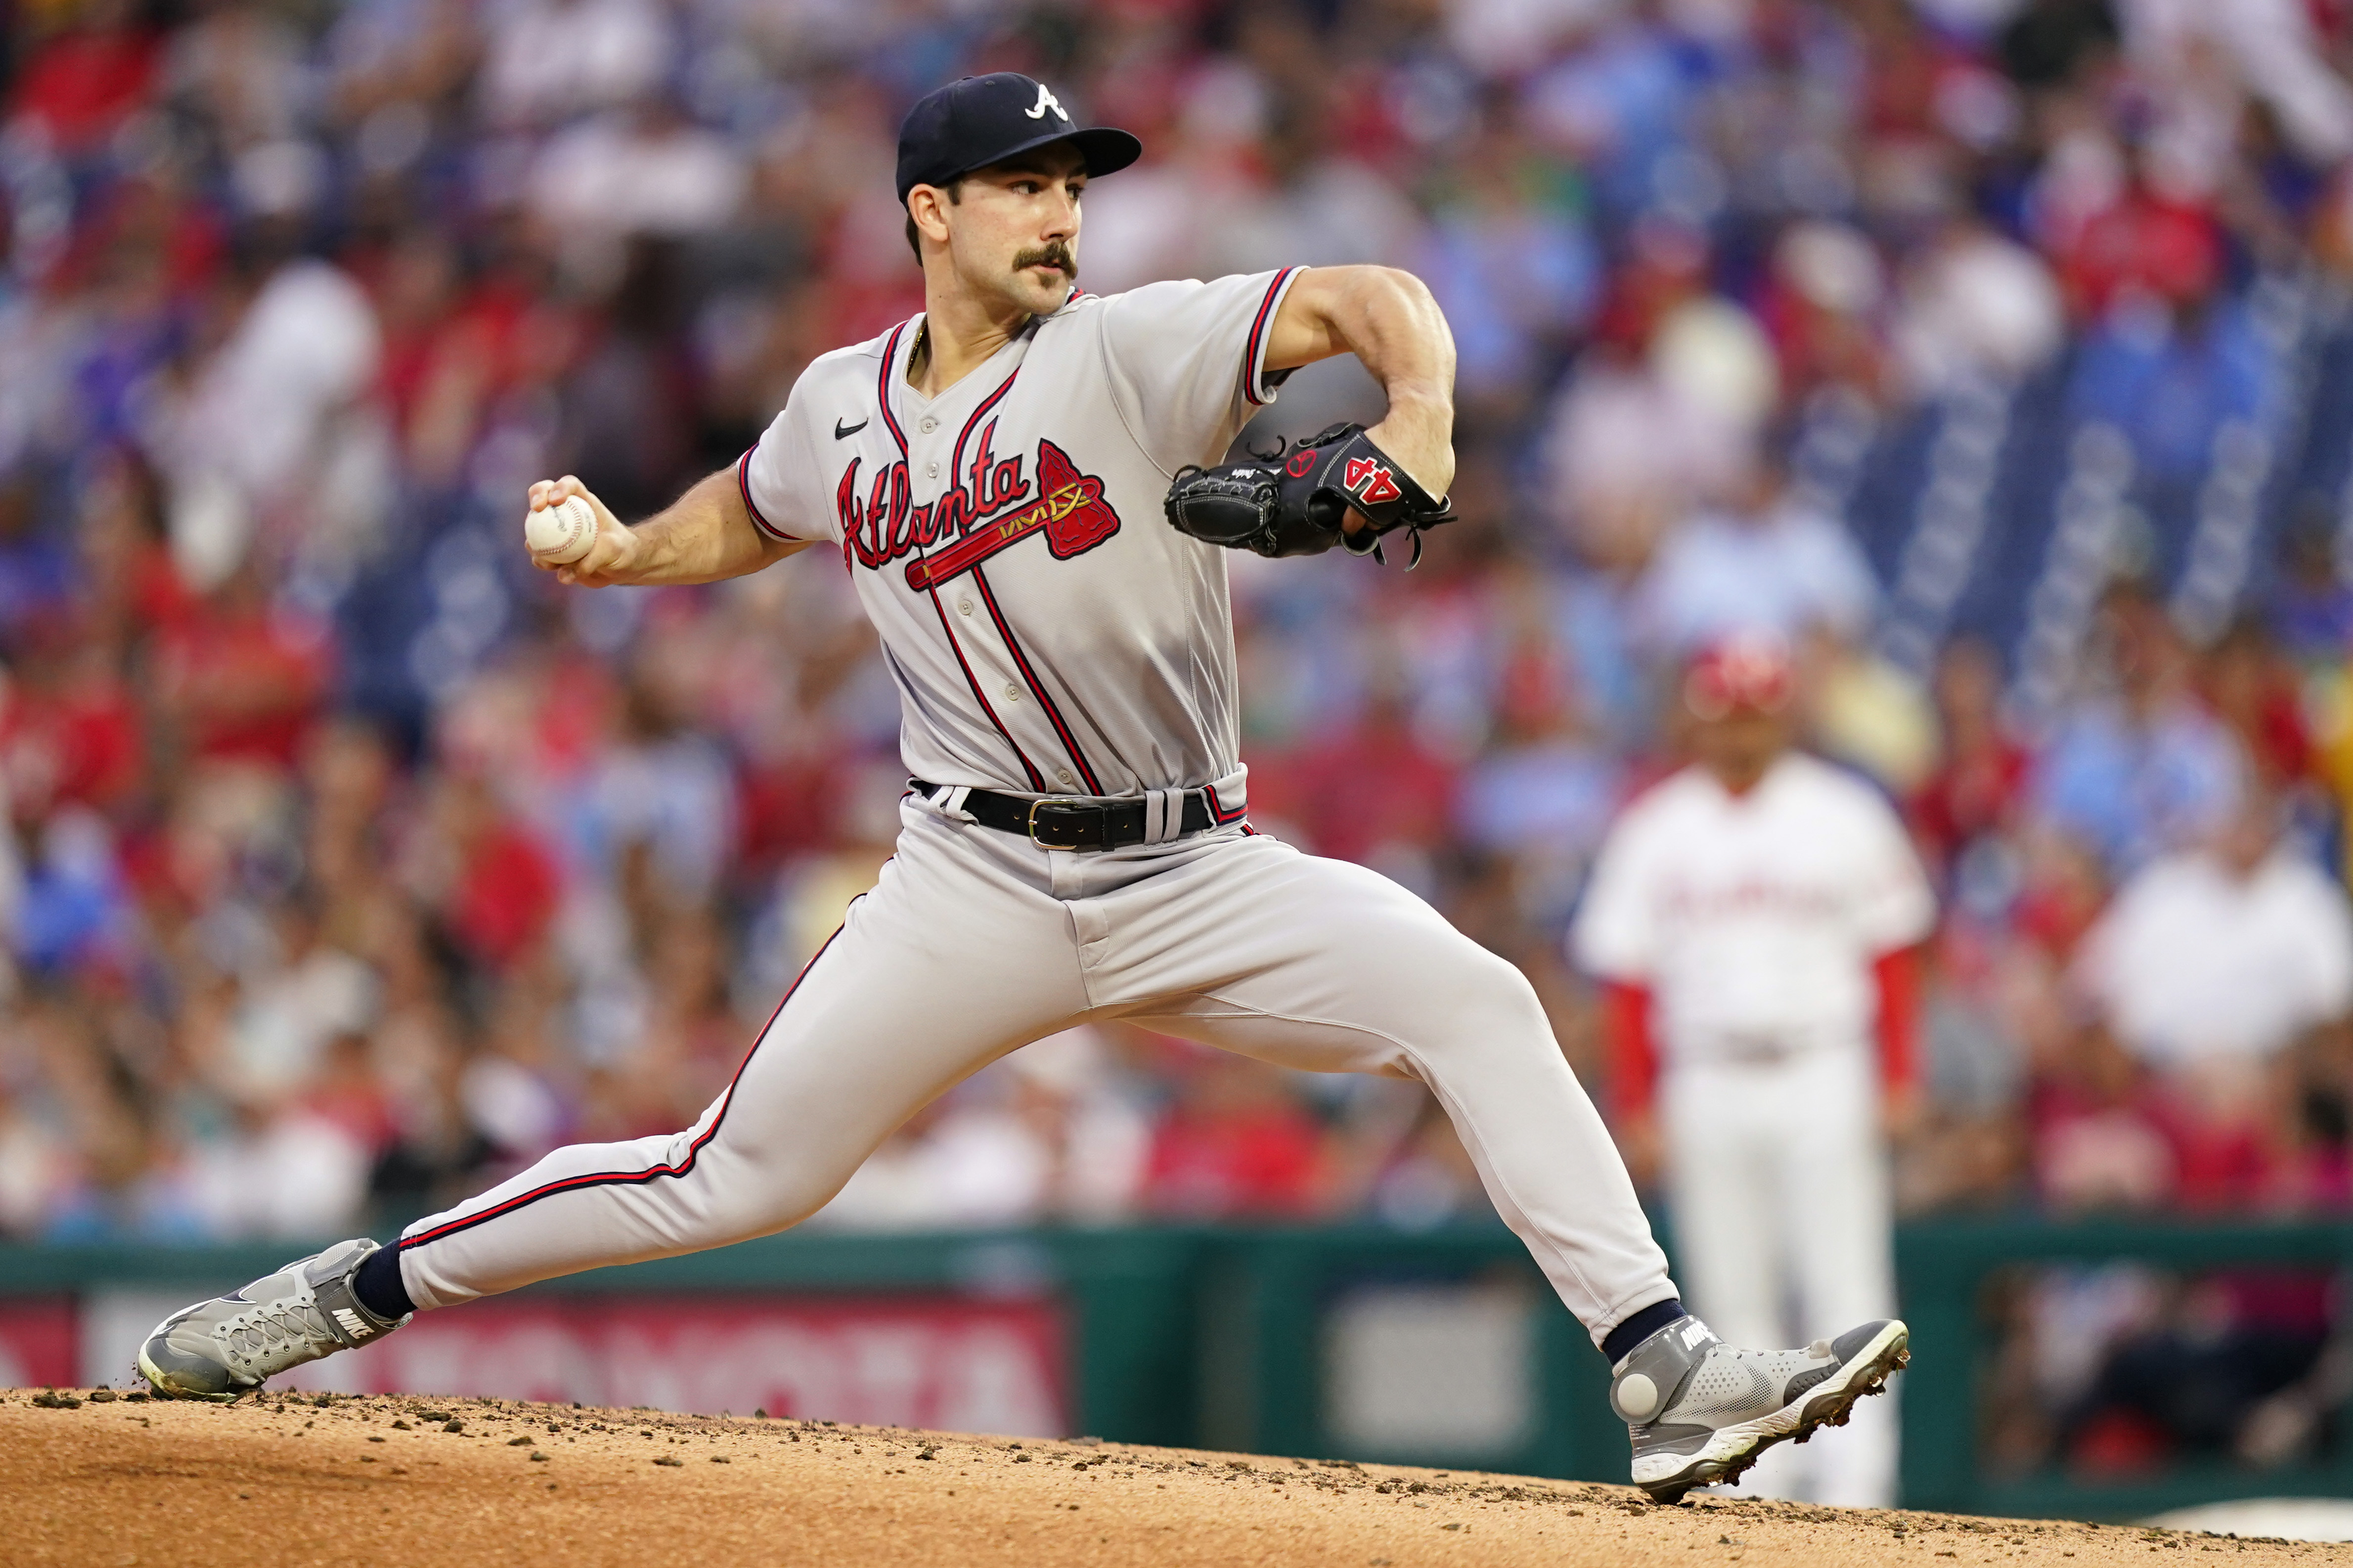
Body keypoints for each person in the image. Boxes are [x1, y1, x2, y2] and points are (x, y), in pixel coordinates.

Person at [133, 73, 1907, 1502]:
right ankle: (339, 1295)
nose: (1066, 210)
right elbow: (745, 515)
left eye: (1078, 182)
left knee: (1476, 996)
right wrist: (616, 554)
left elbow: (1379, 299)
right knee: (726, 1174)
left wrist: (1421, 419)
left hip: (1193, 868)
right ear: (933, 211)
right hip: (965, 884)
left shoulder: (1131, 349)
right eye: (1028, 183)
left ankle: (1662, 1370)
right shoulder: (841, 407)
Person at [1574, 631, 1934, 1505]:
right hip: (1705, 1074)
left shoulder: (1845, 812)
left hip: (1823, 1065)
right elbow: (1628, 978)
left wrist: (1897, 1075)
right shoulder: (1658, 826)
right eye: (1724, 716)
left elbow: (1892, 956)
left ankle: (1858, 1492)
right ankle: (1756, 1497)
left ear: (1782, 718)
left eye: (1755, 715)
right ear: (1697, 722)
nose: (1739, 732)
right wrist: (1639, 1099)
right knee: (1729, 1296)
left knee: (1847, 1283)